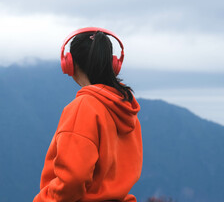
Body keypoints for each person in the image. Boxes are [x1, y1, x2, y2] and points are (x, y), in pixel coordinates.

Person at [33, 27, 143, 202]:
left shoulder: (83, 108)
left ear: (69, 63)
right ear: (114, 64)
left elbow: (73, 179)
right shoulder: (126, 107)